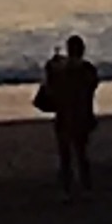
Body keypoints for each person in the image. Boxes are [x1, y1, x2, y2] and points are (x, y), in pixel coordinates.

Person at [35, 34, 100, 195]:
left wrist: (53, 69)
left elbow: (50, 89)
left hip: (66, 117)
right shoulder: (87, 70)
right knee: (79, 154)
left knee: (67, 155)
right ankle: (83, 187)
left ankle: (69, 189)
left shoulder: (65, 71)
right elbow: (92, 84)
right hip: (81, 116)